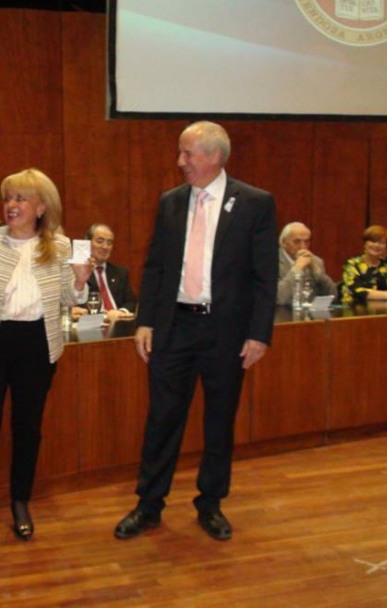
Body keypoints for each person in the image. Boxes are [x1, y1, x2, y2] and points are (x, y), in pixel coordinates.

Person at [114, 121, 278, 542]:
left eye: (188, 154)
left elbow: (265, 276)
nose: (180, 162)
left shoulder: (255, 203)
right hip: (173, 328)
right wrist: (144, 321)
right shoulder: (170, 202)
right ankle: (148, 505)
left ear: (214, 157)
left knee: (219, 421)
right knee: (162, 419)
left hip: (227, 332)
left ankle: (210, 504)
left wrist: (259, 334)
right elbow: (155, 266)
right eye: (181, 153)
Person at [0, 168, 92, 551]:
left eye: (20, 198)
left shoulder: (61, 246)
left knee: (27, 428)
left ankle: (20, 502)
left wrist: (80, 280)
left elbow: (70, 299)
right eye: (8, 198)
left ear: (41, 206)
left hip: (37, 345)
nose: (11, 205)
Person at [71, 223, 137, 322]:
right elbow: (75, 305)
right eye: (100, 241)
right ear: (88, 242)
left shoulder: (120, 272)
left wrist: (121, 313)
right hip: (90, 327)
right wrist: (105, 316)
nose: (105, 247)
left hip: (119, 325)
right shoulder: (76, 272)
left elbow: (131, 301)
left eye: (109, 243)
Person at [340, 224, 387, 305]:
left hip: (384, 309)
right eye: (373, 241)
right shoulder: (352, 264)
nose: (376, 245)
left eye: (381, 242)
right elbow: (357, 291)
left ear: (386, 247)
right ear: (365, 243)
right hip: (354, 310)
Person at [276, 221, 336, 305]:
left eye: (306, 242)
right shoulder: (272, 262)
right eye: (297, 242)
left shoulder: (316, 261)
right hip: (281, 315)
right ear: (283, 242)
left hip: (310, 316)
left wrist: (317, 271)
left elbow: (333, 295)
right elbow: (278, 298)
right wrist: (296, 270)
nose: (302, 247)